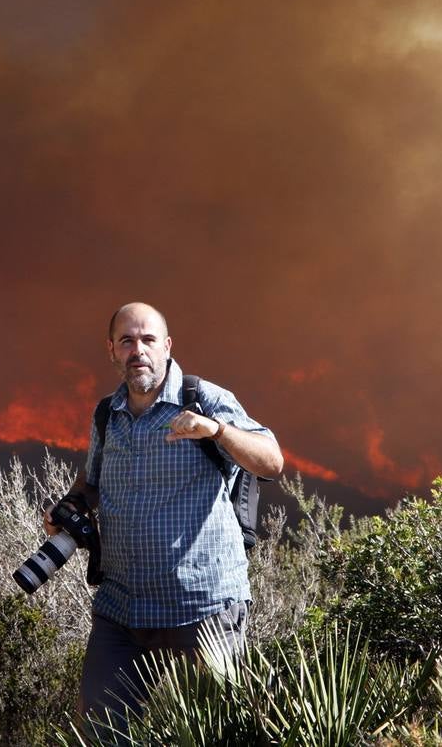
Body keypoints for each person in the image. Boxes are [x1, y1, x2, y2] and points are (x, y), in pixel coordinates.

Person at [44, 301, 283, 723]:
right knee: (97, 732)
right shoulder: (106, 414)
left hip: (202, 610)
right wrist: (72, 505)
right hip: (121, 611)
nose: (139, 350)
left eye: (148, 339)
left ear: (167, 346)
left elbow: (271, 461)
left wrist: (217, 430)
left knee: (214, 730)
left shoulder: (203, 398)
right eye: (127, 341)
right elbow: (93, 481)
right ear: (112, 350)